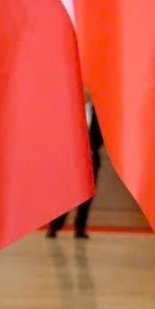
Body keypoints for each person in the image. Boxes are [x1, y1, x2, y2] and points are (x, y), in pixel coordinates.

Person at [47, 98, 104, 239]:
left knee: (87, 196)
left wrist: (89, 148)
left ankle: (80, 229)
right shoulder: (70, 108)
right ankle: (55, 226)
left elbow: (101, 135)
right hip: (70, 159)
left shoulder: (98, 113)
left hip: (90, 158)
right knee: (65, 195)